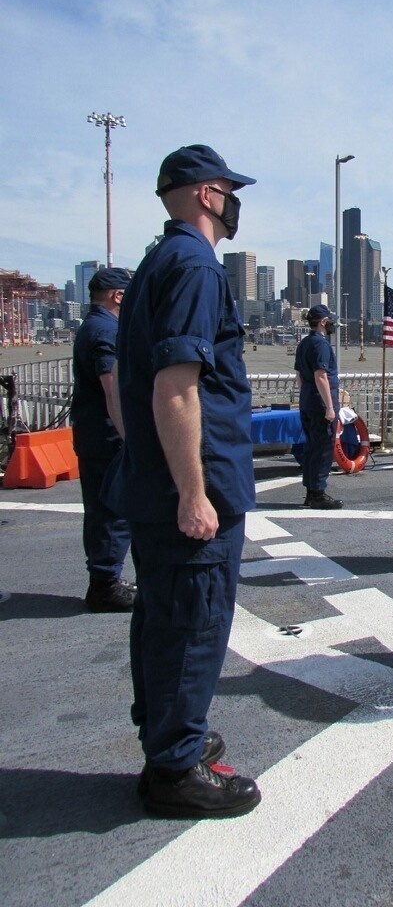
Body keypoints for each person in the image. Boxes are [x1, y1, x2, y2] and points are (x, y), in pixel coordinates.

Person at [105, 144, 261, 818]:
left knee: (164, 621)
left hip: (152, 483)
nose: (235, 200)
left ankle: (173, 739)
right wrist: (195, 493)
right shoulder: (197, 267)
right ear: (206, 194)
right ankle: (175, 769)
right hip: (192, 488)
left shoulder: (155, 263)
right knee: (193, 624)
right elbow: (176, 388)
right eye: (230, 188)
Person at [72, 267, 135, 612]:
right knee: (113, 509)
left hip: (93, 432)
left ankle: (104, 578)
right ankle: (105, 584)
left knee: (100, 508)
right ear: (118, 296)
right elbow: (113, 390)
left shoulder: (91, 326)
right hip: (108, 436)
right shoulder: (106, 331)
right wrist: (130, 438)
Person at [294, 305, 343, 509]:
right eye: (330, 321)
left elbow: (299, 376)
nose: (333, 325)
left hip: (308, 401)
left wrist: (308, 397)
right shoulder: (321, 345)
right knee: (323, 448)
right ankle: (317, 493)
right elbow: (321, 375)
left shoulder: (304, 343)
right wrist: (329, 407)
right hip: (320, 403)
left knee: (312, 448)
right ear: (323, 322)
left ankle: (311, 491)